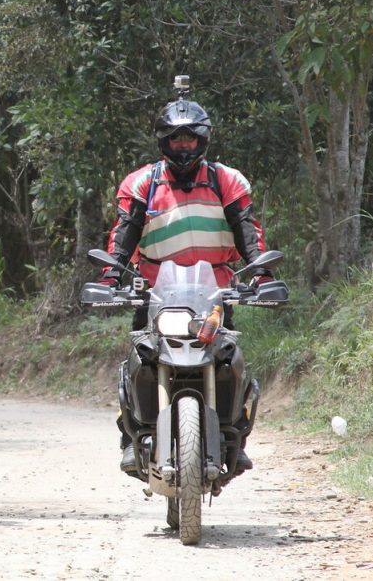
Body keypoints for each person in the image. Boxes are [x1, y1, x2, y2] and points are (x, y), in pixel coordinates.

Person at [99, 90, 274, 474]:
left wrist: (261, 273)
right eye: (176, 138)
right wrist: (112, 275)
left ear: (202, 140)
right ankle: (131, 438)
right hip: (155, 293)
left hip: (215, 294)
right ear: (164, 141)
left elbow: (248, 232)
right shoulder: (141, 183)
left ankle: (235, 433)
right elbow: (123, 235)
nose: (183, 145)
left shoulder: (227, 180)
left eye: (189, 138)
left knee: (231, 362)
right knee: (138, 360)